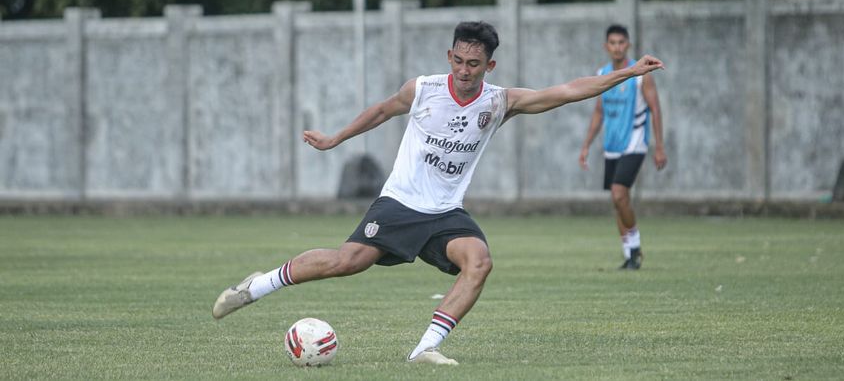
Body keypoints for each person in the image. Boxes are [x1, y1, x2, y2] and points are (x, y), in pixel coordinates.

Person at [213, 21, 664, 365]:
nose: (464, 72)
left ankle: (425, 349)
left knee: (480, 261)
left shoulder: (498, 101)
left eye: (474, 65)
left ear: (490, 65)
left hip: (445, 211)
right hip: (400, 203)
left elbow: (566, 92)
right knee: (344, 262)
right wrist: (335, 139)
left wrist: (629, 73)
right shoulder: (424, 89)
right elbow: (382, 111)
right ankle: (258, 285)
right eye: (458, 61)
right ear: (450, 55)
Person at [578, 24, 667, 270]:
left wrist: (659, 146)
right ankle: (630, 255)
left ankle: (635, 244)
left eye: (621, 42)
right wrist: (586, 145)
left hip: (635, 143)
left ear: (627, 45)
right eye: (612, 43)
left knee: (619, 193)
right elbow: (598, 112)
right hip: (612, 146)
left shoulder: (641, 74)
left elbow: (655, 109)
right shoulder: (603, 73)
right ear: (606, 46)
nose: (617, 47)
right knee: (618, 201)